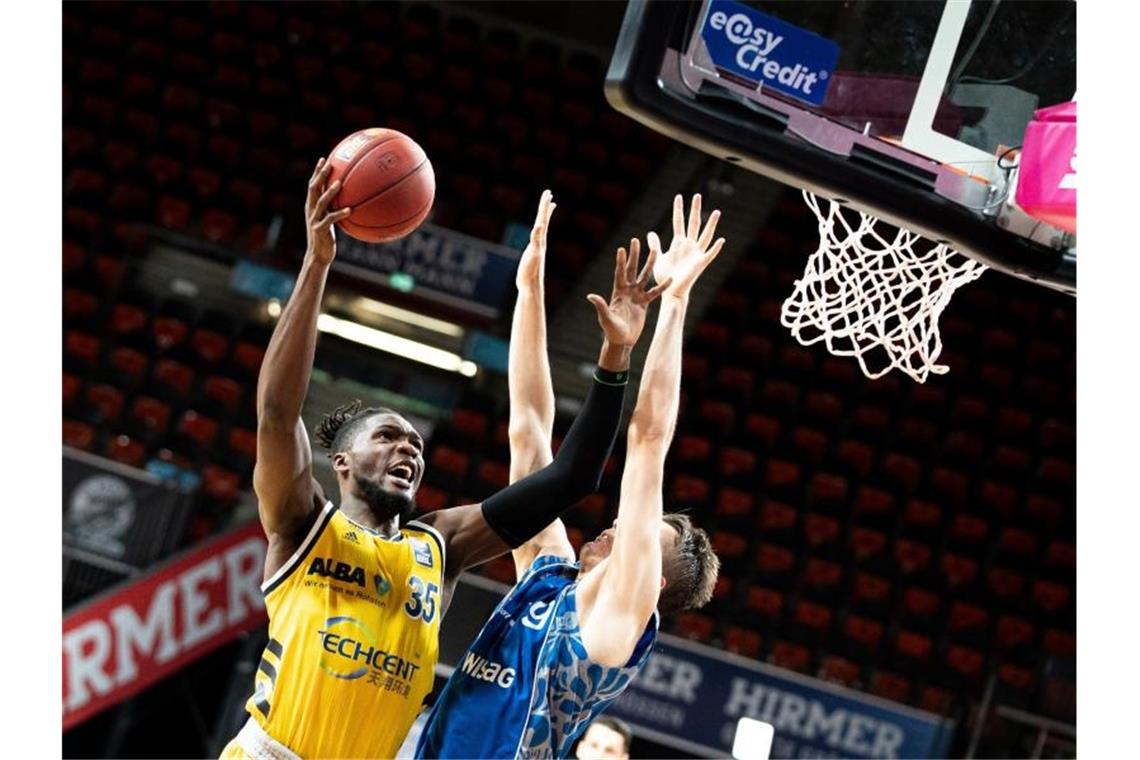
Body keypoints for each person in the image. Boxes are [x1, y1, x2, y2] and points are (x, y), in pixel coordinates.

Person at [219, 164, 658, 759]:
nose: (409, 448)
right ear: (341, 461)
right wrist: (317, 263)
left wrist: (615, 358)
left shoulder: (440, 545)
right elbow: (275, 411)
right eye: (388, 437)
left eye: (416, 445)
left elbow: (569, 478)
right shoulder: (305, 526)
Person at [416, 194, 724, 759]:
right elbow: (529, 434)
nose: (617, 526)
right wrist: (528, 292)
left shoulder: (614, 621)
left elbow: (648, 441)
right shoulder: (549, 580)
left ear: (649, 582)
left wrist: (674, 301)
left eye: (638, 537)